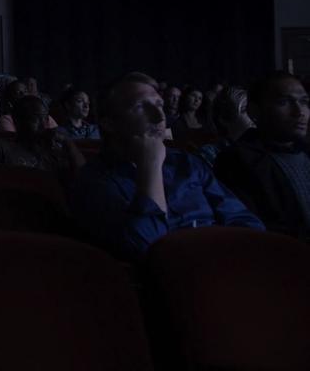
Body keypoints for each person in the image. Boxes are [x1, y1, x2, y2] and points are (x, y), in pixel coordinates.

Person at [70, 72, 264, 261]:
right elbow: (145, 248)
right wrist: (151, 165)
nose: (158, 117)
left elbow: (247, 223)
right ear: (109, 123)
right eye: (140, 107)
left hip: (222, 266)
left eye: (159, 105)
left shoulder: (187, 163)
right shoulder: (94, 180)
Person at [214, 72, 310, 240]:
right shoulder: (238, 160)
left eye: (304, 102)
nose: (299, 111)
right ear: (254, 111)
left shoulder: (305, 152)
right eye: (284, 102)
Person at [0, 95, 83, 178]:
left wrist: (68, 142)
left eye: (45, 118)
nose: (43, 125)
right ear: (17, 121)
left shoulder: (53, 150)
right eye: (35, 118)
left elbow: (83, 177)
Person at [197, 86, 254, 167]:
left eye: (253, 109)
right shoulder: (210, 155)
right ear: (224, 119)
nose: (253, 115)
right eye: (244, 110)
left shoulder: (261, 149)